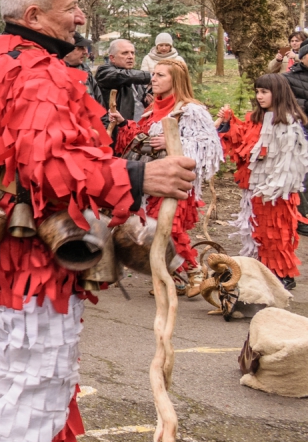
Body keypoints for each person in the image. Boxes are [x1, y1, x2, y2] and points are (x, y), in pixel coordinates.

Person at [0, 0, 195, 442]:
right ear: (34, 15)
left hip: (12, 252)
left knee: (20, 376)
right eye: (72, 6)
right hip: (31, 256)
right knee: (37, 384)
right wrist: (138, 178)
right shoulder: (37, 74)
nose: (82, 16)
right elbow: (48, 166)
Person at [111, 60, 223, 288]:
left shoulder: (191, 110)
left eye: (160, 75)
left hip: (177, 182)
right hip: (153, 182)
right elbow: (141, 137)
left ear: (176, 80)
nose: (153, 79)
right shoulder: (152, 110)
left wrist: (174, 142)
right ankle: (181, 275)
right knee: (157, 229)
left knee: (168, 229)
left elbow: (209, 147)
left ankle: (191, 272)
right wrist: (124, 123)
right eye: (153, 74)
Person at [219, 73, 308, 290]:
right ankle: (261, 269)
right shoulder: (256, 119)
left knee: (276, 233)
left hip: (275, 192)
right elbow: (242, 143)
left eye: (264, 92)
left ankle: (281, 274)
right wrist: (229, 121)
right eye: (257, 91)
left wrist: (275, 187)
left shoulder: (288, 124)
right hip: (255, 189)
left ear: (277, 93)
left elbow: (291, 161)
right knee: (256, 232)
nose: (259, 96)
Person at [95, 38, 150, 137]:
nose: (130, 57)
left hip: (134, 131)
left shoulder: (134, 77)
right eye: (125, 53)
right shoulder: (104, 72)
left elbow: (139, 102)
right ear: (112, 58)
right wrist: (152, 76)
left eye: (132, 53)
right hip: (116, 132)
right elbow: (122, 76)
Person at [62, 32, 100, 104]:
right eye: (80, 48)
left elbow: (98, 100)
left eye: (85, 48)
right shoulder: (55, 74)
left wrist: (104, 115)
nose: (85, 52)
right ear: (66, 51)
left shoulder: (85, 70)